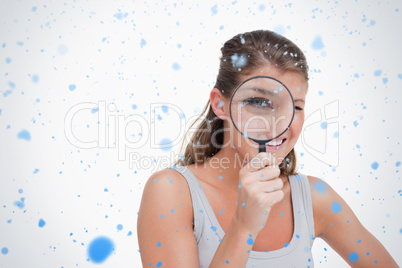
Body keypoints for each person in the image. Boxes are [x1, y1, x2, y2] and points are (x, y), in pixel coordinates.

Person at [137, 30, 398, 267]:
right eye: (259, 101)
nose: (278, 123)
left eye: (295, 107)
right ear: (219, 104)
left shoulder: (314, 198)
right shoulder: (171, 191)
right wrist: (243, 228)